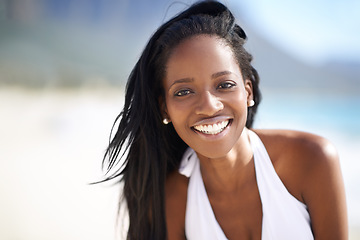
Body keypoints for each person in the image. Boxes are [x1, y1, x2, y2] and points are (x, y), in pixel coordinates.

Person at [102, 1, 348, 239]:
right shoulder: (174, 198)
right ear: (165, 109)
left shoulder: (311, 159)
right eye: (184, 91)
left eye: (225, 85)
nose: (209, 106)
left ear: (247, 92)